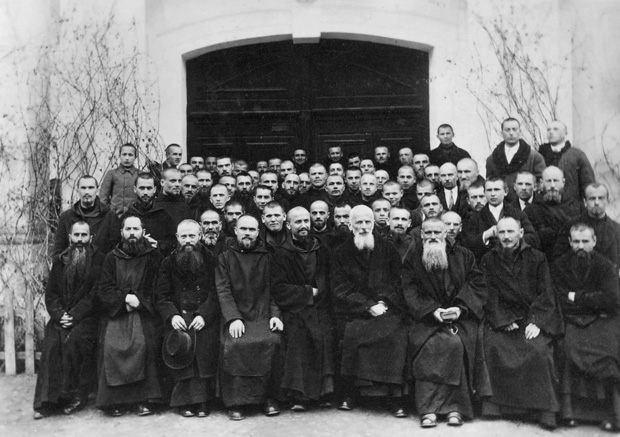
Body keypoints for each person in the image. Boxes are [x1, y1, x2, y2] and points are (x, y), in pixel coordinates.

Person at [480, 216, 563, 429]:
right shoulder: (488, 260)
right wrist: (502, 319)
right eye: (502, 232)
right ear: (496, 235)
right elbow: (488, 294)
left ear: (521, 233)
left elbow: (546, 292)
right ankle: (496, 407)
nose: (506, 237)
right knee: (494, 346)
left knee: (539, 351)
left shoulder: (537, 258)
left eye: (511, 231)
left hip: (531, 317)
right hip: (503, 317)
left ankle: (543, 410)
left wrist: (537, 322)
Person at [402, 218, 487, 427]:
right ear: (421, 235)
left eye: (437, 233)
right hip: (426, 319)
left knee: (458, 343)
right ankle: (428, 409)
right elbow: (410, 292)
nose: (432, 237)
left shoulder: (464, 255)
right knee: (434, 345)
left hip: (460, 317)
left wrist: (460, 308)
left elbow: (476, 285)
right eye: (428, 233)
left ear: (446, 234)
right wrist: (433, 311)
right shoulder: (413, 259)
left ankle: (455, 408)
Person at [331, 205, 409, 417]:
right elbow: (340, 288)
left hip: (386, 309)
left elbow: (397, 281)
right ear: (350, 225)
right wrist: (367, 306)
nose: (363, 227)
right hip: (354, 310)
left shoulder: (388, 248)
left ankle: (394, 396)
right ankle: (351, 394)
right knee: (352, 334)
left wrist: (382, 302)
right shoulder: (340, 252)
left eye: (367, 222)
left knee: (396, 335)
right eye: (359, 222)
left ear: (374, 223)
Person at [551, 223, 620, 431]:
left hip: (602, 319)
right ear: (570, 243)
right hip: (572, 319)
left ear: (594, 242)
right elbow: (559, 298)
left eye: (585, 241)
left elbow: (611, 300)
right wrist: (589, 299)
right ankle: (571, 412)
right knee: (567, 349)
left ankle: (611, 413)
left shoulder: (606, 266)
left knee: (608, 354)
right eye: (577, 242)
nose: (581, 246)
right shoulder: (559, 265)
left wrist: (576, 297)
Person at [33, 222, 105, 419]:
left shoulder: (100, 260)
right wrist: (60, 315)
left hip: (87, 318)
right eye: (76, 235)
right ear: (70, 237)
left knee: (76, 341)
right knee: (52, 343)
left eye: (84, 235)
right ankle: (47, 401)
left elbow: (95, 295)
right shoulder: (60, 261)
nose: (80, 239)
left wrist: (74, 315)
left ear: (91, 238)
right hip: (62, 317)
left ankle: (75, 396)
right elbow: (51, 294)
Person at [215, 214, 284, 420]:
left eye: (252, 229)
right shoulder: (225, 258)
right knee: (235, 343)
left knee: (272, 340)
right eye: (243, 229)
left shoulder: (268, 257)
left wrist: (275, 314)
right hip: (237, 315)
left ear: (258, 232)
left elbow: (275, 290)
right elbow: (223, 291)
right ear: (235, 230)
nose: (247, 233)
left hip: (262, 313)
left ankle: (268, 398)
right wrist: (233, 318)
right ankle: (236, 401)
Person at [96, 216, 165, 417]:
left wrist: (140, 301)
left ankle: (145, 400)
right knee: (111, 345)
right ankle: (115, 401)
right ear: (122, 232)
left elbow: (159, 289)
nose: (132, 233)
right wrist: (125, 299)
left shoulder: (154, 257)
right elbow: (104, 289)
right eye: (128, 229)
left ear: (143, 231)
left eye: (136, 228)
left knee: (147, 343)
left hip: (145, 312)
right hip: (119, 312)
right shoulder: (111, 257)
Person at [271, 207, 335, 410]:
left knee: (326, 332)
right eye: (298, 222)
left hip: (321, 307)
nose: (304, 226)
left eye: (306, 221)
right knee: (299, 336)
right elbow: (279, 289)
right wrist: (309, 293)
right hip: (295, 309)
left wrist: (320, 294)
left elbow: (330, 278)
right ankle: (299, 395)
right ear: (288, 225)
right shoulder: (281, 254)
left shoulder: (321, 248)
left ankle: (325, 392)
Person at [156, 219, 220, 418]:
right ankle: (184, 401)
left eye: (192, 235)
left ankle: (203, 401)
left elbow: (216, 292)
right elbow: (161, 295)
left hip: (203, 317)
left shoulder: (211, 260)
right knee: (180, 345)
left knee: (204, 344)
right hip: (179, 317)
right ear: (177, 238)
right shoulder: (168, 262)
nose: (188, 240)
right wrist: (172, 315)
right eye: (183, 236)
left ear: (199, 235)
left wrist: (204, 314)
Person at [461, 177, 538, 261]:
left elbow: (533, 239)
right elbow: (468, 245)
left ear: (506, 192)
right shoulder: (474, 218)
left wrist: (513, 237)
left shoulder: (518, 214)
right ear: (485, 193)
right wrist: (485, 235)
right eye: (489, 190)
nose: (493, 194)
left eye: (497, 189)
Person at [554, 183, 620, 268]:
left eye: (601, 198)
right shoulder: (570, 226)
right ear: (585, 202)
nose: (596, 203)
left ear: (607, 201)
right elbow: (558, 260)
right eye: (592, 198)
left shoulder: (617, 229)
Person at [53, 175, 120, 257]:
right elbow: (59, 251)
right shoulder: (66, 217)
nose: (87, 192)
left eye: (91, 188)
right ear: (77, 190)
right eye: (83, 188)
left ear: (97, 190)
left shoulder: (110, 216)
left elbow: (114, 251)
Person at [524, 166, 580, 259]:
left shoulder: (576, 207)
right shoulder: (531, 210)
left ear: (563, 182)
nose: (553, 185)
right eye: (549, 181)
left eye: (556, 181)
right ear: (542, 183)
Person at [538, 120, 595, 209]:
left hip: (571, 209)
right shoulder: (539, 155)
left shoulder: (577, 155)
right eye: (548, 130)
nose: (551, 132)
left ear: (565, 133)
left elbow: (588, 184)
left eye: (555, 129)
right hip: (544, 208)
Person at [485, 118, 546, 192]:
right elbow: (489, 184)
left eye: (514, 129)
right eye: (507, 130)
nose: (511, 133)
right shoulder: (492, 159)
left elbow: (540, 183)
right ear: (501, 133)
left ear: (520, 132)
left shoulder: (534, 157)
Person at [123, 173, 177, 256]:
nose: (145, 192)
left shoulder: (164, 214)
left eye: (149, 188)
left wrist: (158, 244)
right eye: (141, 188)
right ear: (135, 189)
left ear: (154, 190)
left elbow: (174, 242)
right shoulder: (128, 215)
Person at [100, 143, 139, 217]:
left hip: (135, 215)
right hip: (115, 215)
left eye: (130, 155)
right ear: (119, 156)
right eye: (124, 154)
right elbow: (103, 197)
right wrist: (106, 214)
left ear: (135, 157)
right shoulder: (111, 174)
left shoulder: (140, 174)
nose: (127, 158)